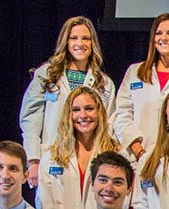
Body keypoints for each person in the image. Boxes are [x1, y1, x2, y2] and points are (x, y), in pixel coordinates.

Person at [20, 16, 115, 188]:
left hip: (90, 161)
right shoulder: (46, 75)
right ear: (66, 41)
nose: (80, 43)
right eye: (74, 38)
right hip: (53, 159)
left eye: (86, 38)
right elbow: (30, 119)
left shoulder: (104, 83)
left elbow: (110, 124)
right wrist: (33, 160)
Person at [37, 86, 134, 209]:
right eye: (76, 110)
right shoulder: (51, 157)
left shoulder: (117, 154)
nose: (83, 115)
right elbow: (46, 205)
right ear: (68, 114)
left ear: (99, 112)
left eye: (89, 109)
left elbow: (123, 200)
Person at [114, 13, 169, 162]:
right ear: (153, 39)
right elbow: (122, 114)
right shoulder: (135, 72)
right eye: (159, 33)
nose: (164, 38)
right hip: (138, 157)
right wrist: (140, 152)